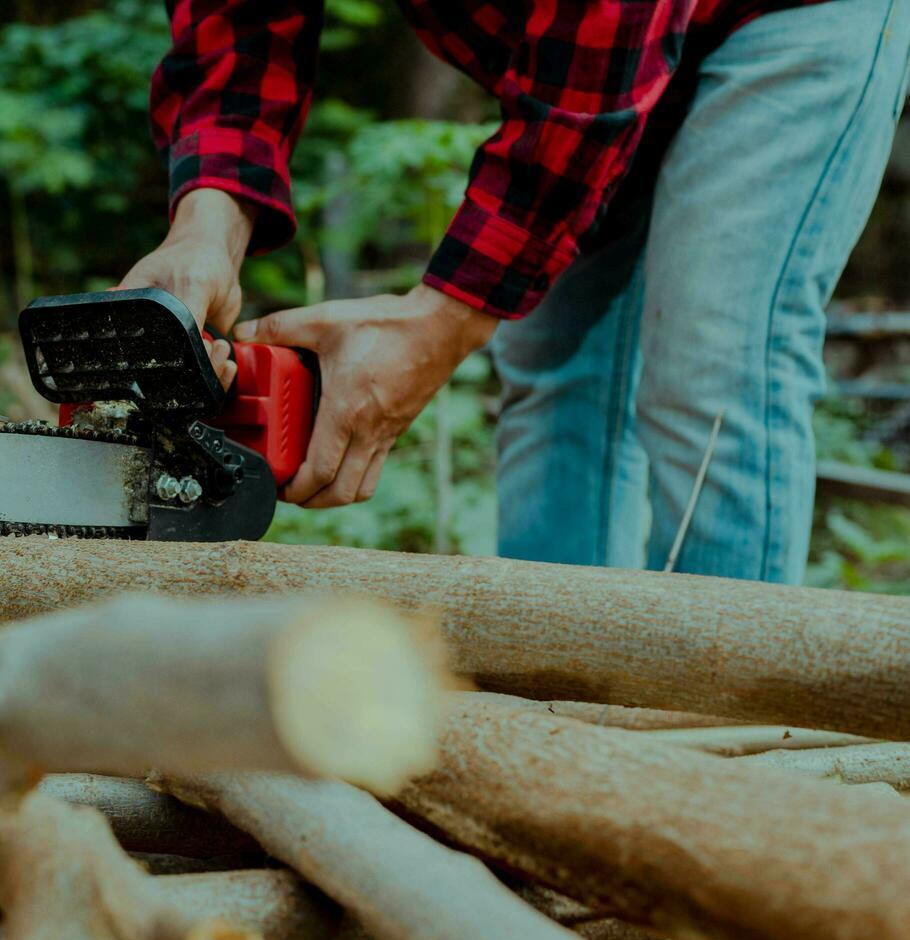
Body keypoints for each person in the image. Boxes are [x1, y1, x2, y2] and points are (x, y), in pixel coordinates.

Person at [119, 0, 910, 583]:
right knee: (556, 370)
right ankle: (565, 715)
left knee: (712, 363)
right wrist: (206, 224)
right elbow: (241, 27)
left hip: (786, 18)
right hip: (592, 58)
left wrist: (439, 324)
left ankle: (728, 738)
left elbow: (601, 42)